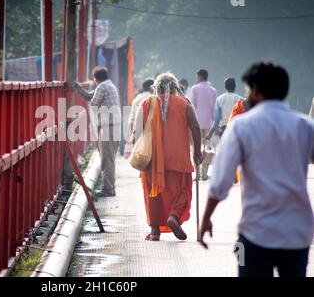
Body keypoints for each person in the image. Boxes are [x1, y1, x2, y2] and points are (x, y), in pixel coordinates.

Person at [200, 62, 314, 277]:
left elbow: (220, 181)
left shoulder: (241, 126)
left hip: (254, 233)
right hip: (298, 233)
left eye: (248, 89)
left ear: (256, 90)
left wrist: (206, 218)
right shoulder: (304, 126)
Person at [132, 72, 203, 241]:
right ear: (175, 87)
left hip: (153, 159)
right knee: (182, 191)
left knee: (153, 194)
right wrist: (198, 151)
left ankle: (155, 231)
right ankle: (174, 217)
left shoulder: (146, 103)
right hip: (179, 157)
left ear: (155, 88)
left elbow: (136, 132)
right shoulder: (185, 104)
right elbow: (195, 127)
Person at [72, 66, 121, 197]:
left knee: (107, 159)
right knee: (109, 158)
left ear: (94, 78)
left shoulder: (102, 87)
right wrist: (79, 88)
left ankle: (108, 189)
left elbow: (93, 103)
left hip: (108, 127)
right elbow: (90, 96)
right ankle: (110, 187)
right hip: (114, 126)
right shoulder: (109, 85)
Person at [189, 69, 217, 180]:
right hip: (208, 123)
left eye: (196, 77)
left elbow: (191, 106)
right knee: (206, 149)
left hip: (196, 124)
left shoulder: (194, 89)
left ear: (200, 77)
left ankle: (197, 174)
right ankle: (204, 174)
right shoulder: (213, 90)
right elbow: (214, 109)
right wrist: (215, 124)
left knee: (196, 148)